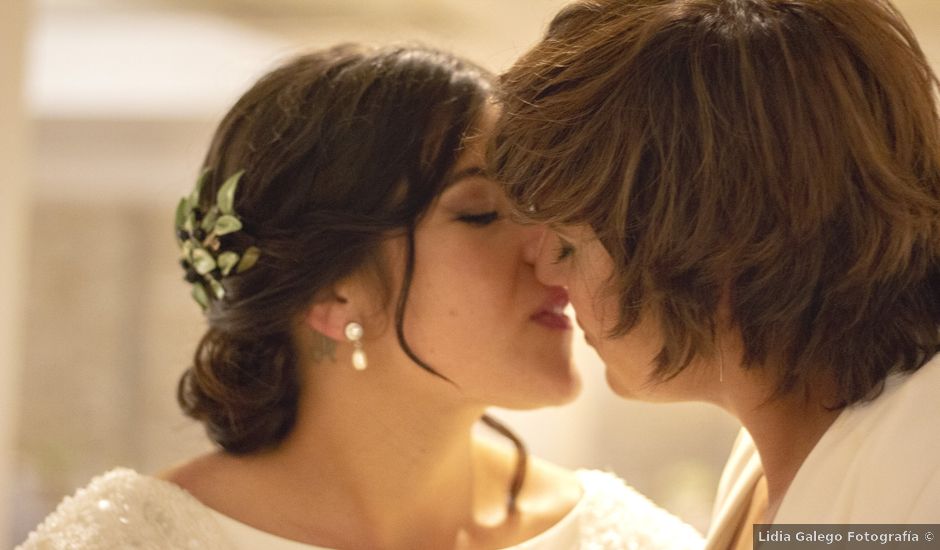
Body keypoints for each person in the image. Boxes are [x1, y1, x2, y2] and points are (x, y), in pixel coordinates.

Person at [17, 44, 703, 549]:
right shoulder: (125, 542)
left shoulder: (630, 540)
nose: (554, 253)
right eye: (481, 213)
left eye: (544, 211)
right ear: (331, 293)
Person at [488, 0, 940, 548]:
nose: (542, 271)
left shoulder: (920, 466)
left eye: (567, 244)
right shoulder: (770, 452)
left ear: (709, 241)